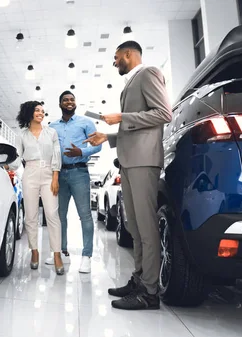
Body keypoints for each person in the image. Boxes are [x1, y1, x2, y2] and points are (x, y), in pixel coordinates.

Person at [84, 41, 172, 310]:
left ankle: (149, 293)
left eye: (116, 58)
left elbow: (163, 113)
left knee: (146, 227)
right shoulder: (132, 82)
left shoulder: (149, 74)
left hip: (144, 162)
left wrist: (122, 116)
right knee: (134, 226)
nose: (114, 62)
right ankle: (139, 280)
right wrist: (108, 136)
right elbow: (135, 128)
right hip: (130, 162)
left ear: (128, 54)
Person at [45, 91, 102, 274]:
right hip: (59, 175)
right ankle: (62, 251)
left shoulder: (85, 122)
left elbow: (98, 144)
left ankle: (86, 256)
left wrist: (82, 152)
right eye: (65, 100)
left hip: (79, 172)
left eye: (72, 99)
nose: (69, 102)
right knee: (59, 215)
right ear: (60, 104)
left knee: (85, 215)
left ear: (75, 103)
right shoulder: (52, 126)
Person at [7, 101, 64, 275]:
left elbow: (57, 154)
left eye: (42, 110)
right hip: (30, 174)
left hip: (48, 174)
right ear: (29, 113)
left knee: (52, 215)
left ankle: (57, 254)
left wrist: (55, 177)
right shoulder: (22, 135)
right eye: (37, 110)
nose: (41, 113)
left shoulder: (51, 132)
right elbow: (17, 159)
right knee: (30, 216)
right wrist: (6, 165)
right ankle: (34, 251)